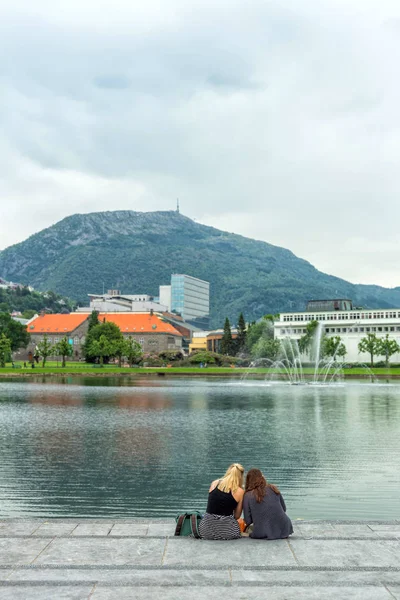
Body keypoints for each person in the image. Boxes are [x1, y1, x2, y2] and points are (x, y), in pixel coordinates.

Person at [243, 468, 293, 539]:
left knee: (247, 531)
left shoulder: (247, 495)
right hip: (285, 528)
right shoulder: (273, 488)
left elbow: (247, 520)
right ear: (261, 477)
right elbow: (283, 509)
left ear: (248, 481)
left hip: (263, 531)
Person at [199, 463, 245, 540]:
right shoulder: (240, 491)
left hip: (205, 530)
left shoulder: (214, 483)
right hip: (228, 533)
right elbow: (237, 516)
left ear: (228, 472)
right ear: (240, 477)